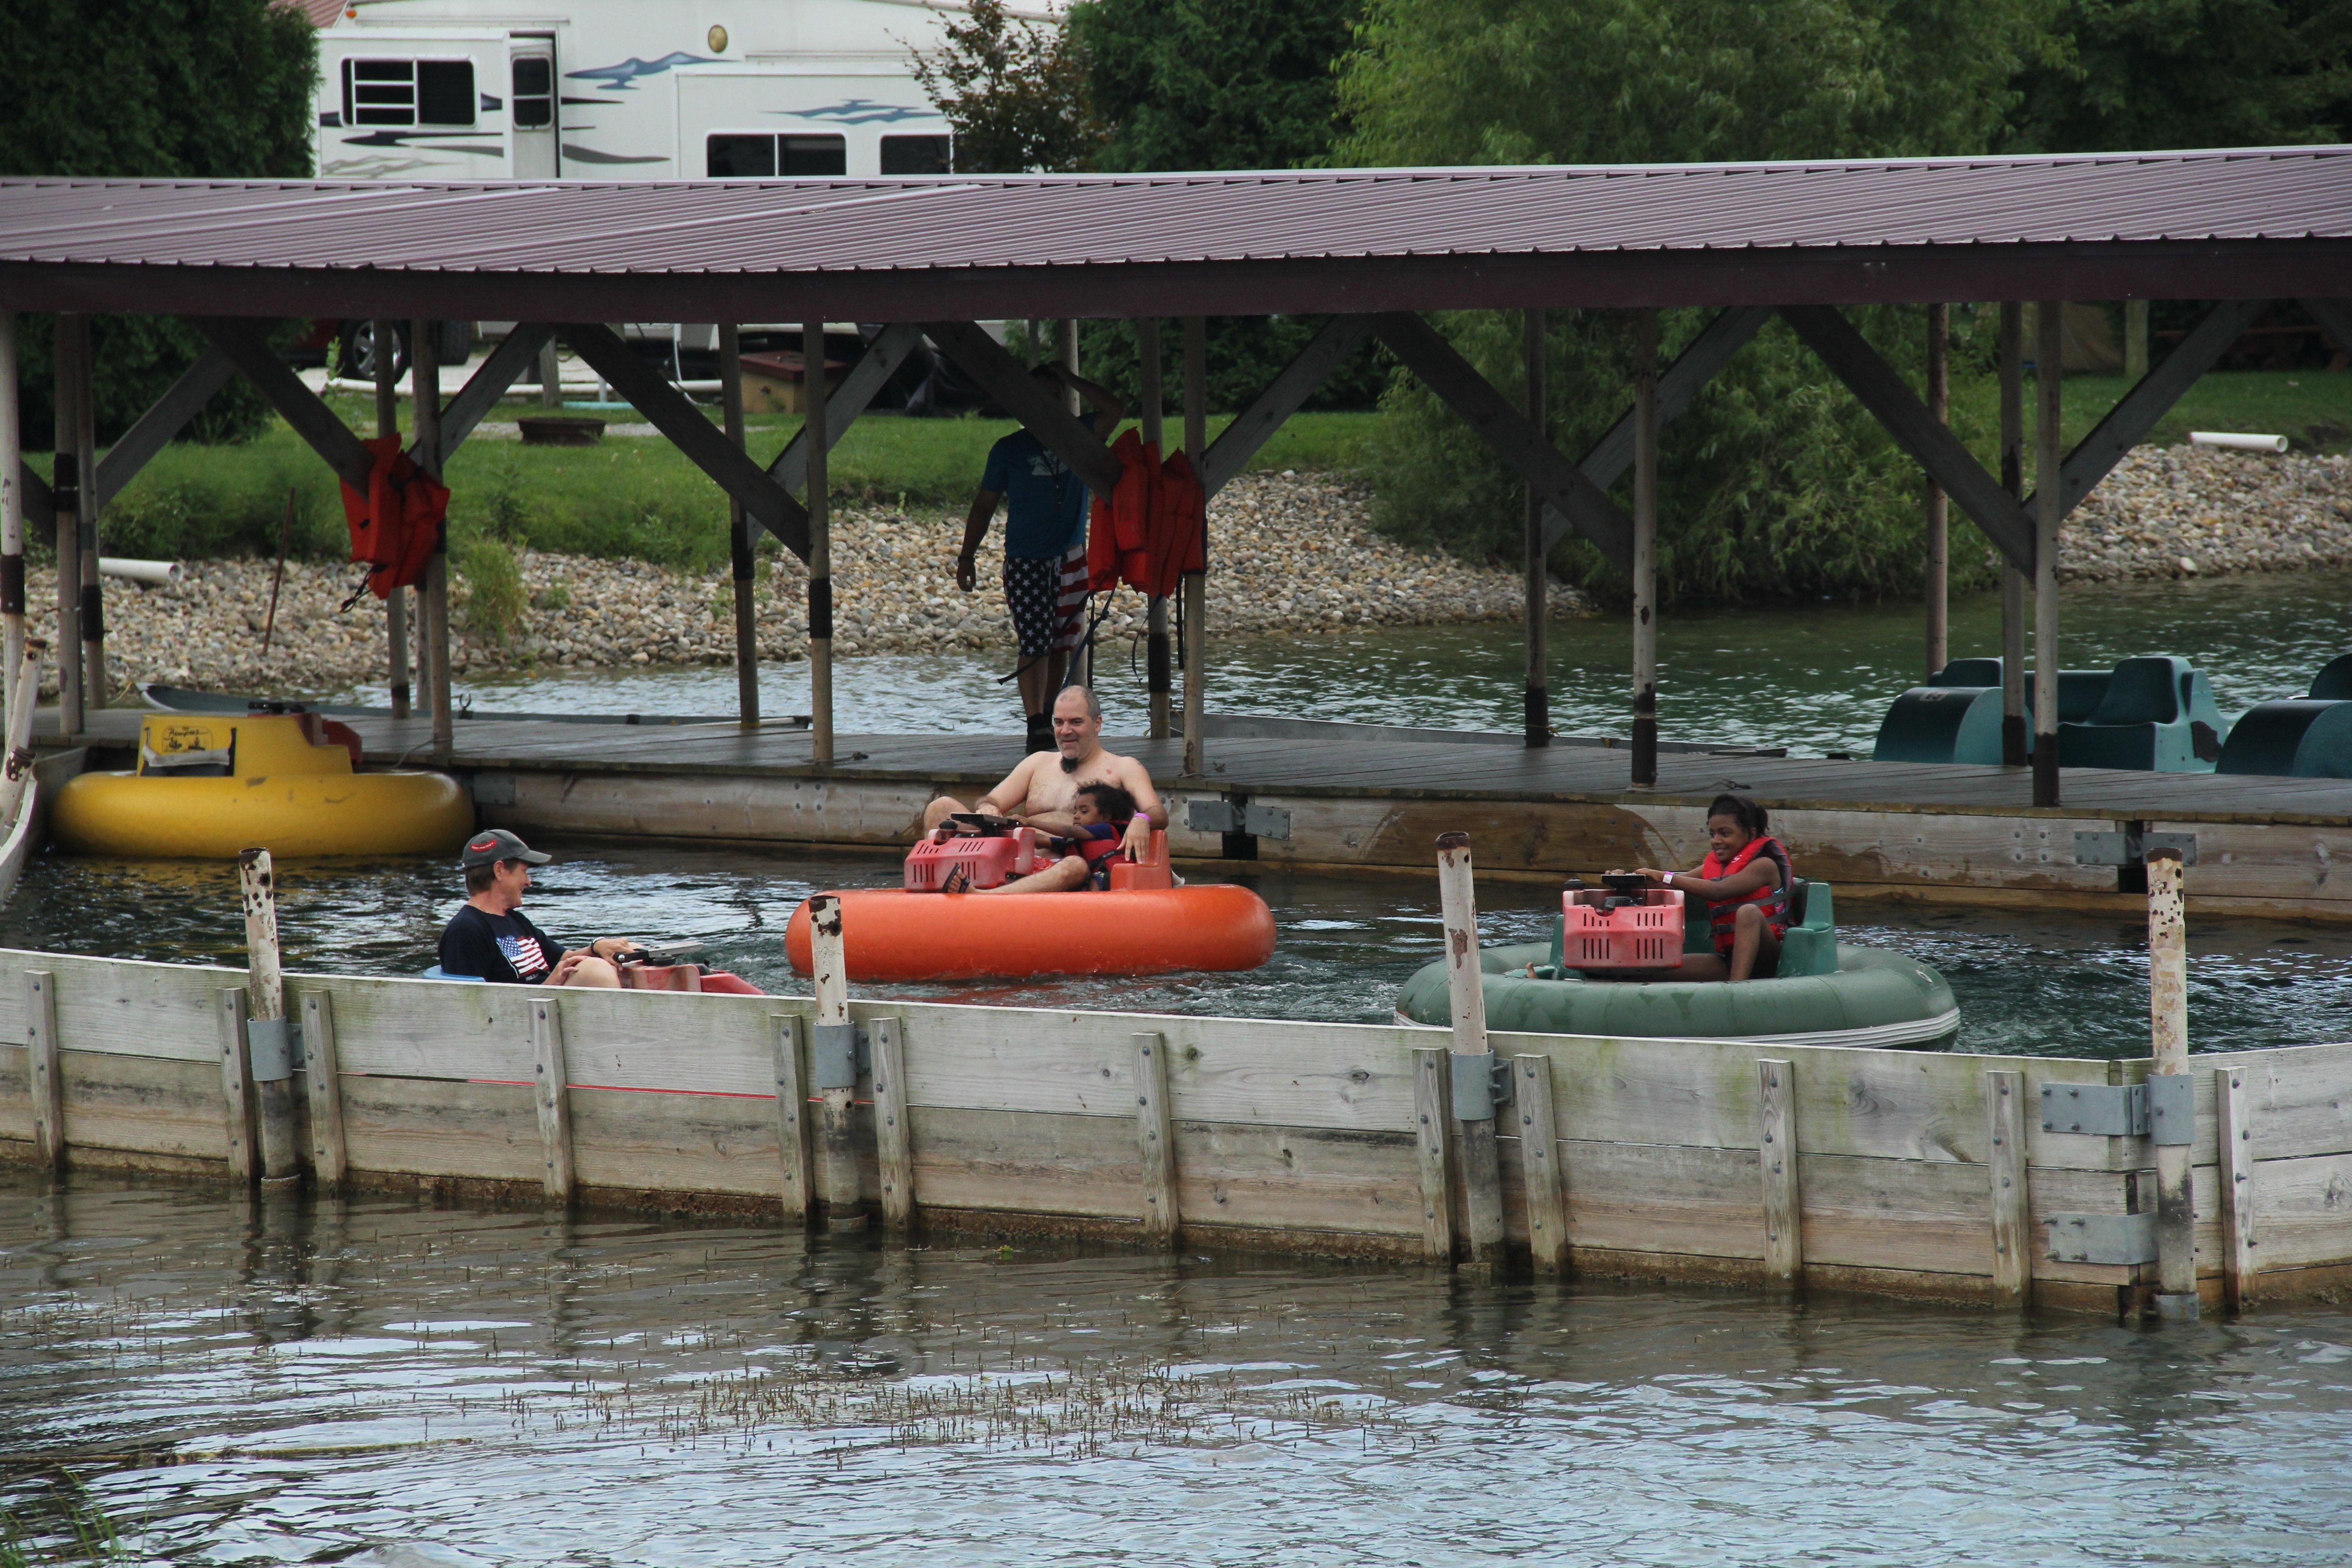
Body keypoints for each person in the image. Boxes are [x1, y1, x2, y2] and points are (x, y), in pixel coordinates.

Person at [955, 361, 1127, 749]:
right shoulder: (1009, 449)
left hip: (1069, 557)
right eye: (1036, 400)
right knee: (1034, 643)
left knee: (1062, 643)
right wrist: (967, 556)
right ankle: (1035, 723)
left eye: (1053, 398)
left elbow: (1116, 409)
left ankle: (1049, 714)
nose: (1045, 406)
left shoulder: (1078, 434)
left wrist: (1069, 378)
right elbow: (984, 505)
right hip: (1026, 558)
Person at [921, 684, 1164, 861]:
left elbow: (1157, 812)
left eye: (1076, 722)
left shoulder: (1125, 767)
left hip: (1068, 865)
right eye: (1059, 723)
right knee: (940, 807)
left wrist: (1141, 820)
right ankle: (937, 892)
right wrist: (988, 807)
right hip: (1012, 855)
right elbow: (992, 799)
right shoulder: (1038, 762)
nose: (1066, 731)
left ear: (1098, 724)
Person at [1615, 794, 1793, 982]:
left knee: (1748, 912)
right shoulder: (1714, 866)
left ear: (1752, 833)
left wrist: (1665, 875)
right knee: (1654, 969)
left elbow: (1718, 891)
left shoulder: (1765, 865)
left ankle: (1735, 991)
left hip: (1769, 959)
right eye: (1712, 834)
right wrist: (1628, 879)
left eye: (1725, 834)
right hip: (1729, 961)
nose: (1716, 841)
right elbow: (1670, 884)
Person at [438, 828, 640, 986]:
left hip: (548, 999)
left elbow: (564, 958)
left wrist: (598, 947)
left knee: (634, 953)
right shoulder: (466, 930)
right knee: (596, 971)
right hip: (530, 1019)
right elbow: (469, 1006)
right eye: (524, 872)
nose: (529, 882)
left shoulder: (515, 920)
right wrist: (549, 986)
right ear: (500, 871)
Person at [943, 780, 1137, 894]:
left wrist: (1031, 822)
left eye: (1084, 811)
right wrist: (1009, 832)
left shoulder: (1108, 830)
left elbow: (1070, 832)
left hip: (1112, 883)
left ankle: (983, 896)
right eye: (1075, 810)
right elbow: (1046, 841)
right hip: (1085, 885)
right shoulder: (1077, 843)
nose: (1076, 816)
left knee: (1084, 870)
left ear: (1106, 816)